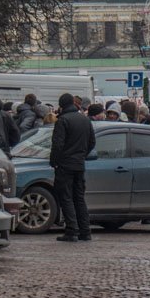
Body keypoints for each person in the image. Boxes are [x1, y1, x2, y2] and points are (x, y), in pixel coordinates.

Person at [49, 93, 95, 242]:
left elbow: (57, 144)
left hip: (65, 164)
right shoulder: (85, 119)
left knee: (66, 197)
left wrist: (54, 161)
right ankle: (85, 230)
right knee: (79, 198)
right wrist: (82, 155)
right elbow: (92, 142)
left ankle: (71, 230)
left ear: (61, 105)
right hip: (79, 164)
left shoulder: (62, 120)